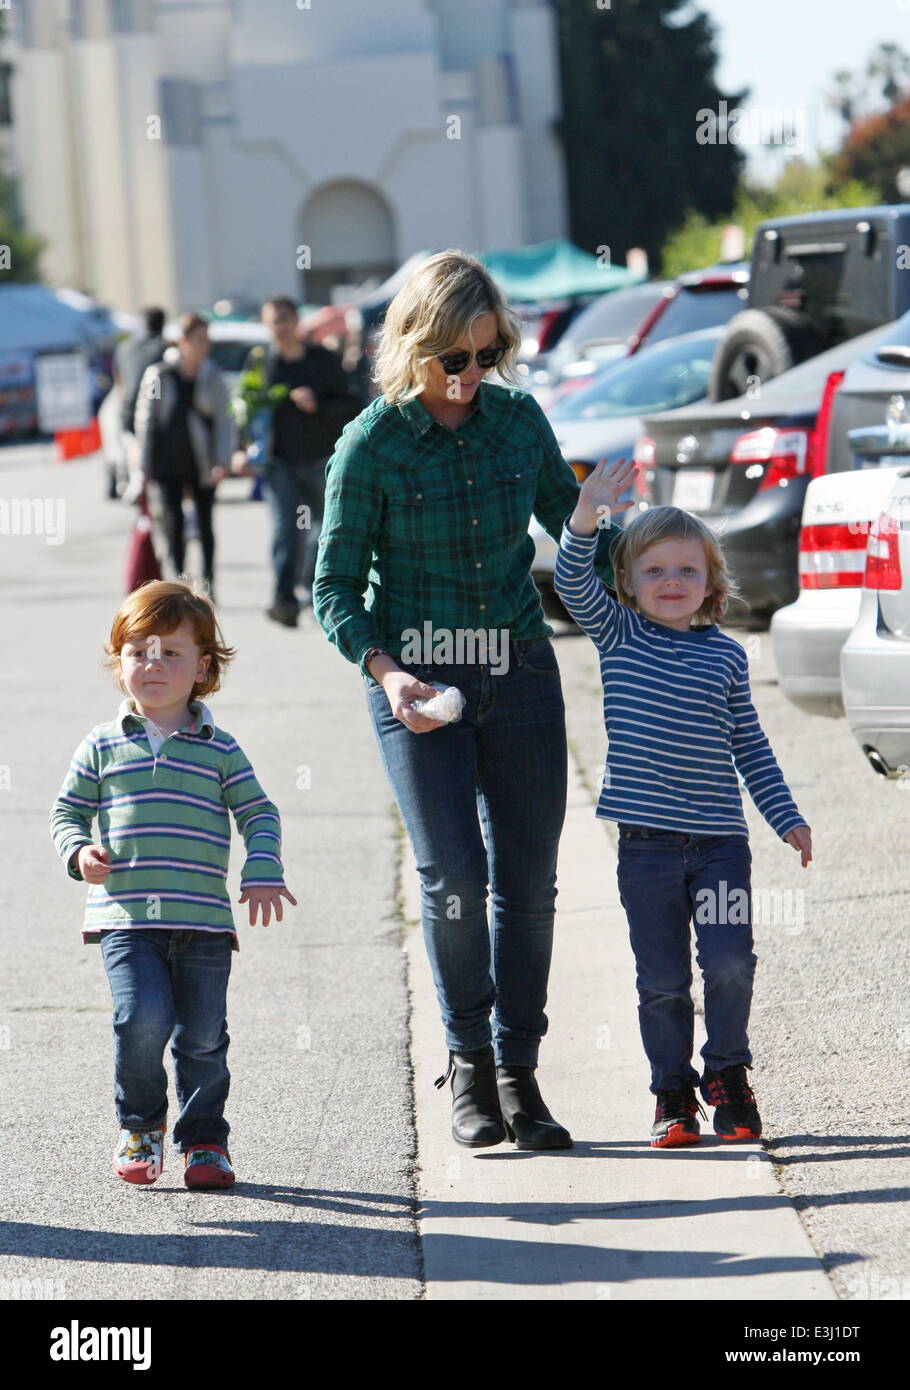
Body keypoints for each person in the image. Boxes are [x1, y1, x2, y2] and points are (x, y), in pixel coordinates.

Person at [313, 250, 626, 1151]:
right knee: (455, 878)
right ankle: (468, 1069)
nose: (469, 377)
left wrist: (630, 548)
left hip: (520, 671)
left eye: (486, 357)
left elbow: (575, 544)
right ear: (413, 345)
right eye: (454, 359)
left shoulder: (518, 420)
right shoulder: (370, 443)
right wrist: (386, 672)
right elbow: (333, 586)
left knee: (528, 884)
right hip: (418, 681)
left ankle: (521, 1071)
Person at [554, 471, 813, 1149]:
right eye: (655, 569)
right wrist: (586, 514)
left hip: (720, 842)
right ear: (630, 583)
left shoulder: (726, 657)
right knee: (662, 980)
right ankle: (671, 1091)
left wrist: (785, 816)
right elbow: (573, 581)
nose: (672, 580)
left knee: (730, 963)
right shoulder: (619, 635)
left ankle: (727, 1073)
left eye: (687, 570)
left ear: (711, 584)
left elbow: (751, 747)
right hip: (647, 849)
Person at [48, 581, 298, 1189]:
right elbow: (66, 813)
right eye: (138, 651)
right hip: (125, 919)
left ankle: (205, 1141)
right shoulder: (102, 745)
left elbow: (259, 813)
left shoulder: (220, 749)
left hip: (204, 922)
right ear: (119, 663)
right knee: (141, 1020)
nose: (152, 664)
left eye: (171, 653)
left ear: (203, 668)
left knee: (203, 1037)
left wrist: (262, 867)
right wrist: (78, 852)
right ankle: (140, 1125)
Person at [251, 295, 360, 627]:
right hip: (279, 462)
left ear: (297, 322)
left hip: (320, 459)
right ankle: (283, 600)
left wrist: (318, 407)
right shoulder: (261, 364)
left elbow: (351, 405)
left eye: (285, 319)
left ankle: (314, 594)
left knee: (322, 530)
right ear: (265, 325)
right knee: (286, 530)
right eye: (273, 320)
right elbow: (247, 408)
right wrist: (246, 446)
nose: (280, 326)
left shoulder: (321, 360)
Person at [133, 314, 233, 604]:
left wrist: (222, 460)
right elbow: (145, 420)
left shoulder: (212, 376)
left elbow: (225, 421)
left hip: (202, 459)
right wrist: (144, 466)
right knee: (173, 524)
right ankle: (177, 586)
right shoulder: (159, 374)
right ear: (182, 340)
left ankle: (209, 585)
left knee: (205, 524)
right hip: (168, 460)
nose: (204, 346)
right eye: (198, 339)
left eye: (206, 339)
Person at [109, 306, 166, 498]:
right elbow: (157, 384)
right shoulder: (163, 348)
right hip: (153, 414)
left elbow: (120, 384)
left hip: (128, 413)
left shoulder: (125, 348)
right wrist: (155, 406)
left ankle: (135, 487)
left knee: (136, 457)